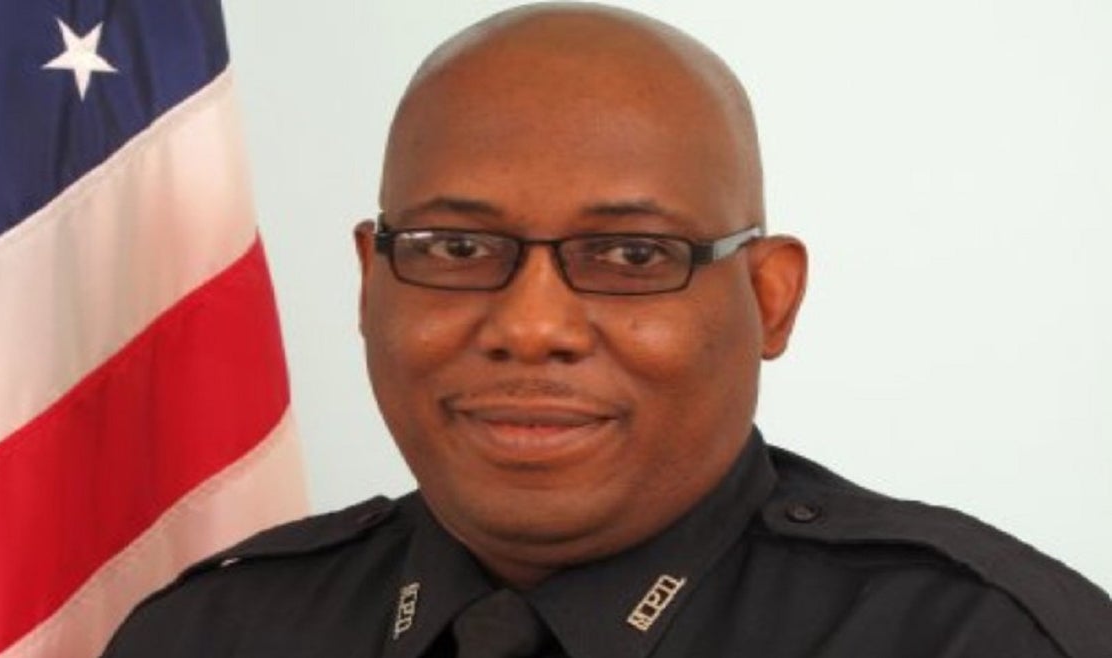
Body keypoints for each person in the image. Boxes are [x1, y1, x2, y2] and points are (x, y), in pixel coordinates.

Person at [103, 3, 1112, 656]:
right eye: (459, 248)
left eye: (632, 256)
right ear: (370, 285)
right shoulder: (209, 635)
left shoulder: (972, 638)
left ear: (769, 299)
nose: (531, 326)